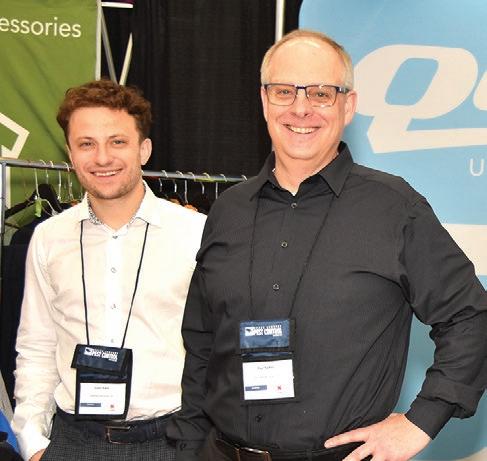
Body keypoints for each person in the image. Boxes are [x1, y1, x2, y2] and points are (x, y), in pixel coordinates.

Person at [166, 29, 487, 461]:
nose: (301, 108)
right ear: (264, 100)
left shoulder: (395, 208)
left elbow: (471, 316)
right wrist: (189, 448)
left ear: (348, 106)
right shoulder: (228, 211)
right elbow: (202, 344)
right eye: (284, 91)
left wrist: (421, 421)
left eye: (321, 93)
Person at [11, 79, 206, 461]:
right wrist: (33, 442)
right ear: (70, 152)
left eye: (117, 142)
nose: (102, 158)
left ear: (144, 149)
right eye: (87, 144)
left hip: (171, 443)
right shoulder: (48, 238)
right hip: (72, 443)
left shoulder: (197, 234)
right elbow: (36, 346)